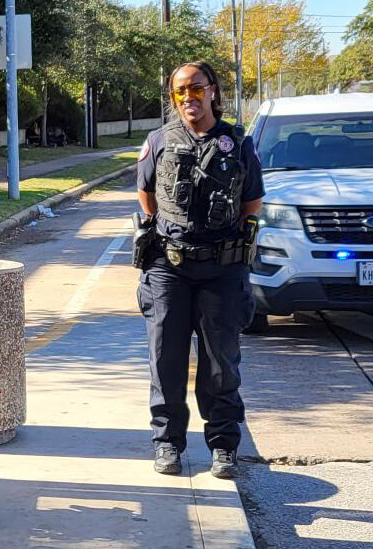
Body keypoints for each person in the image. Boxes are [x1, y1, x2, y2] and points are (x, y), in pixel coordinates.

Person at [135, 61, 264, 479]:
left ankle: (223, 445)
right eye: (179, 91)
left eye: (195, 89)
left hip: (222, 270)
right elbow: (146, 192)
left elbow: (252, 201)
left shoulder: (237, 142)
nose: (187, 98)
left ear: (212, 91)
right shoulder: (159, 141)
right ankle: (168, 443)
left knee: (219, 363)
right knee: (165, 359)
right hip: (168, 268)